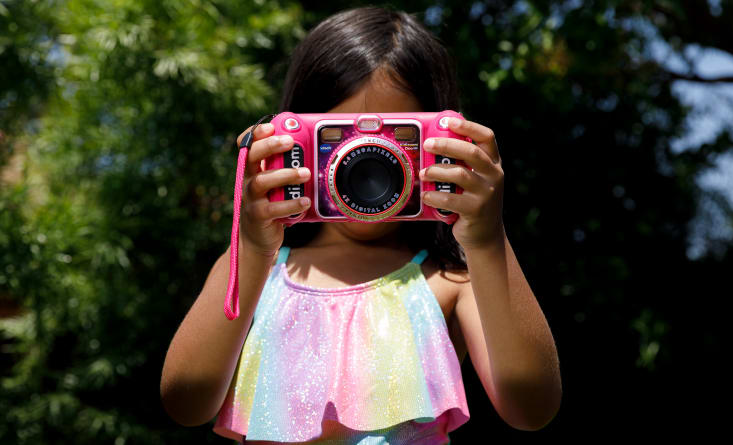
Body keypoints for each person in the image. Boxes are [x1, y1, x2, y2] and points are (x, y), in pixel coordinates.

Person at [160, 6, 561, 444]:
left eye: (396, 138)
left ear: (443, 143)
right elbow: (186, 404)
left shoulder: (452, 281)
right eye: (337, 138)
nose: (366, 160)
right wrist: (252, 248)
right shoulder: (256, 270)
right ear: (292, 137)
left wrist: (486, 238)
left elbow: (532, 409)